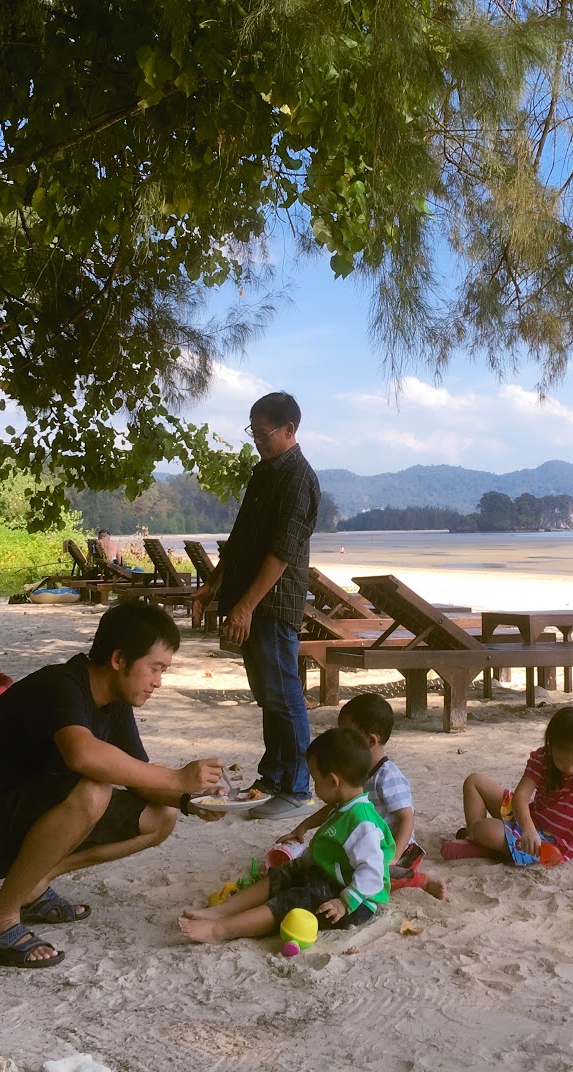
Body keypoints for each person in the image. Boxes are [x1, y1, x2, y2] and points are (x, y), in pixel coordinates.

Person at [0, 601, 225, 969]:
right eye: (155, 668)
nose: (159, 682)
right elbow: (82, 755)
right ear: (119, 659)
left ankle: (35, 884)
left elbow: (139, 777)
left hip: (20, 818)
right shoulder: (60, 685)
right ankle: (0, 920)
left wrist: (190, 799)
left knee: (162, 816)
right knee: (94, 788)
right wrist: (176, 777)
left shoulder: (115, 701)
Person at [190, 391, 319, 820]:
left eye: (263, 434)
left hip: (273, 605)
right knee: (267, 696)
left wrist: (245, 607)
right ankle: (272, 778)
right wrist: (213, 585)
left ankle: (298, 788)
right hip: (247, 602)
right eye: (253, 433)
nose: (257, 441)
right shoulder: (263, 472)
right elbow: (241, 535)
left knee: (285, 695)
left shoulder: (299, 478)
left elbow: (281, 552)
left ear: (289, 430)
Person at [178, 728, 392, 944]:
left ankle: (220, 929)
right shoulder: (345, 804)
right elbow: (326, 812)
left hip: (354, 899)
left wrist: (344, 903)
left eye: (315, 779)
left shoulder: (363, 824)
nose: (313, 785)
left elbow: (373, 871)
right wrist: (303, 828)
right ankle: (221, 912)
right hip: (329, 877)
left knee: (294, 901)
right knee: (284, 873)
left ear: (333, 781)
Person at [277, 693, 448, 901]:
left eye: (347, 733)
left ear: (370, 740)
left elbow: (406, 818)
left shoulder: (388, 776)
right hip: (366, 844)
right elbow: (335, 805)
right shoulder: (352, 772)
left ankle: (422, 880)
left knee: (376, 880)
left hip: (395, 849)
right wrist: (303, 827)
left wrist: (394, 856)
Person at [447, 706, 573, 873]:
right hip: (529, 823)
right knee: (474, 781)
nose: (568, 769)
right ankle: (474, 839)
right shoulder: (542, 758)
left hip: (550, 842)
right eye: (560, 760)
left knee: (485, 828)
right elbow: (521, 798)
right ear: (551, 747)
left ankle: (485, 843)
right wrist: (528, 828)